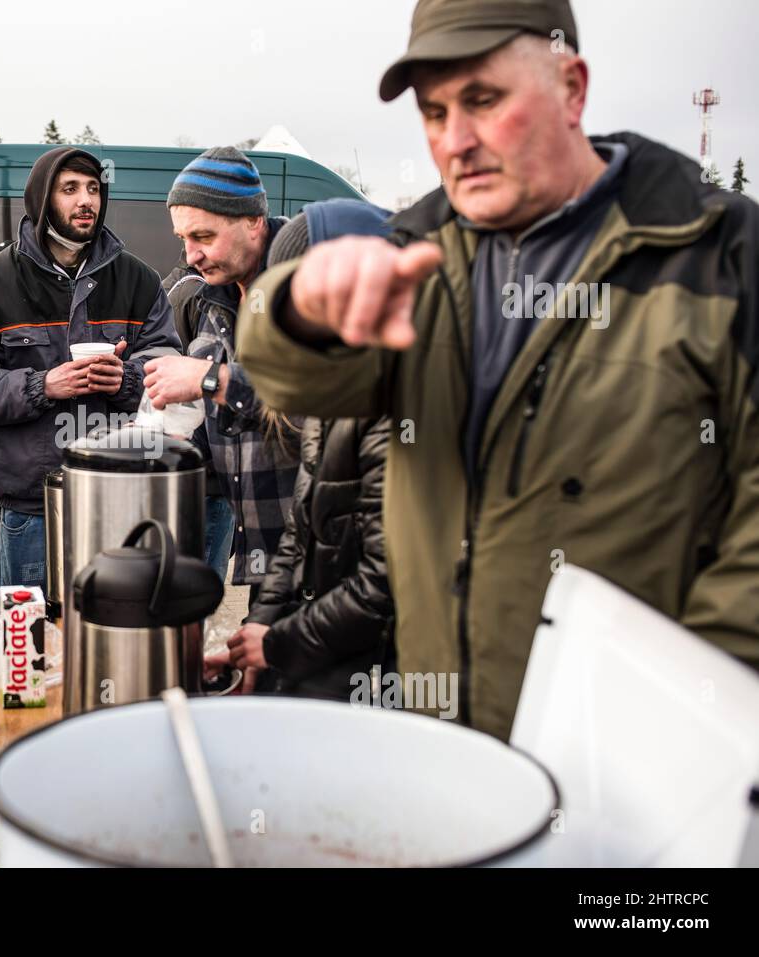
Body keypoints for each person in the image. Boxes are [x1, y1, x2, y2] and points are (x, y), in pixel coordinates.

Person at [237, 0, 759, 741]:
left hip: (633, 764)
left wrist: (682, 714)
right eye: (435, 112)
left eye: (485, 101)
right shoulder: (422, 249)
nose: (456, 141)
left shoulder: (716, 249)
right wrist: (298, 311)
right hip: (445, 742)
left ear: (572, 88)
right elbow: (299, 385)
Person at [0, 146, 181, 588]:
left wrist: (126, 378)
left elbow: (169, 365)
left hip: (123, 495)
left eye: (93, 188)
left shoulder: (139, 280)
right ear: (42, 199)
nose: (85, 200)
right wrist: (42, 385)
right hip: (31, 504)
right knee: (33, 639)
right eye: (69, 189)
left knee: (115, 629)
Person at [206, 200, 396, 699]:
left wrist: (281, 644)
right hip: (322, 653)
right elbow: (299, 532)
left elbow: (385, 581)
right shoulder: (333, 390)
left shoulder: (399, 412)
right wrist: (259, 630)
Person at [145, 147, 302, 608]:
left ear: (253, 221)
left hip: (327, 555)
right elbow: (226, 416)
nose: (191, 255)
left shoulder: (308, 285)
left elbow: (324, 403)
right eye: (183, 238)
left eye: (203, 236)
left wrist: (210, 380)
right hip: (267, 555)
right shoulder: (216, 296)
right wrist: (159, 438)